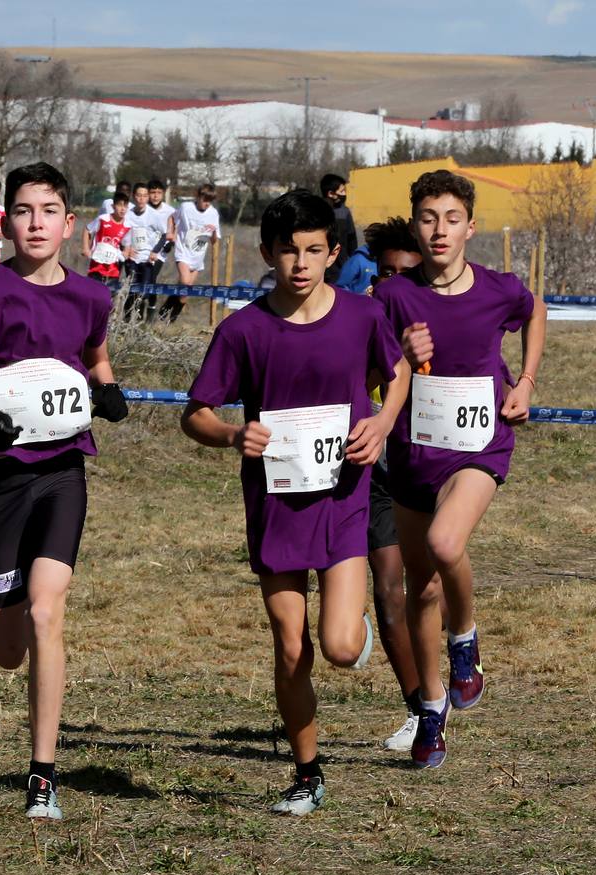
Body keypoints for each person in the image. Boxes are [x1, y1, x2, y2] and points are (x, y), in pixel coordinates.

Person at [181, 189, 410, 815]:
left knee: (337, 647)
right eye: (289, 252)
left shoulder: (363, 317)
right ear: (267, 253)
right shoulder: (243, 330)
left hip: (342, 498)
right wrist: (232, 433)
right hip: (276, 506)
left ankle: (353, 625)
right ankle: (307, 774)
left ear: (333, 252)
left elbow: (399, 374)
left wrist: (383, 422)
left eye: (314, 251)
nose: (301, 264)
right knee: (290, 647)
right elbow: (194, 415)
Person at [0, 162, 129, 821]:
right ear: (5, 221)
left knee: (48, 615)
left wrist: (106, 391)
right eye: (23, 210)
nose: (35, 222)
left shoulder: (90, 297)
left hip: (64, 470)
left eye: (48, 210)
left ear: (70, 225)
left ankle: (42, 776)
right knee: (8, 650)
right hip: (3, 475)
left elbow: (95, 357)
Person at [375, 169, 546, 769]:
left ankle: (464, 639)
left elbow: (536, 311)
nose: (439, 230)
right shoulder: (393, 295)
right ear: (416, 226)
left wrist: (525, 381)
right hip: (414, 454)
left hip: (478, 447)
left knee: (447, 544)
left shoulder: (499, 289)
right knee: (418, 588)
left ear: (471, 227)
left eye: (451, 219)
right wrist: (401, 353)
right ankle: (430, 707)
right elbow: (372, 370)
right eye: (428, 218)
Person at [359, 217, 432, 751]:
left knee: (428, 585)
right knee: (388, 592)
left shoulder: (435, 327)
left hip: (428, 470)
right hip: (374, 473)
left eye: (405, 274)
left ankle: (451, 660)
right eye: (384, 272)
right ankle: (421, 709)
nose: (391, 285)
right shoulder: (356, 319)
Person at [160, 183, 222, 322]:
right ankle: (167, 318)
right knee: (185, 282)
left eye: (210, 201)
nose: (206, 203)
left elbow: (214, 240)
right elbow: (172, 217)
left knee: (185, 294)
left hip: (198, 257)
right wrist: (171, 232)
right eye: (204, 199)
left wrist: (212, 233)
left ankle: (167, 317)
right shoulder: (186, 207)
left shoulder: (213, 213)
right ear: (198, 196)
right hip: (183, 252)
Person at [122, 183, 167, 322]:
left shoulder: (154, 215)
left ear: (147, 198)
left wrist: (155, 251)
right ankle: (127, 320)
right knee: (131, 289)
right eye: (138, 195)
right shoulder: (128, 214)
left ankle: (139, 321)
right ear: (133, 197)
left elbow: (165, 235)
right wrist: (125, 248)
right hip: (132, 258)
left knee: (144, 292)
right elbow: (121, 233)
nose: (141, 199)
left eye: (144, 196)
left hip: (147, 258)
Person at [81, 187, 132, 298]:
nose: (122, 209)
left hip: (113, 269)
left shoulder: (127, 226)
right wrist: (86, 249)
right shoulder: (103, 219)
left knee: (107, 300)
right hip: (96, 266)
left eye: (125, 206)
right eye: (120, 205)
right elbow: (87, 229)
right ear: (113, 206)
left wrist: (126, 253)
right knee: (92, 297)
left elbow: (127, 244)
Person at [321, 173, 358, 284]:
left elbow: (352, 239)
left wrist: (353, 260)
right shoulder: (318, 212)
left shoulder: (345, 212)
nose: (344, 194)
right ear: (331, 194)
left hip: (342, 266)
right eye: (342, 191)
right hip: (324, 266)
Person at [146, 177, 178, 286]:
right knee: (142, 281)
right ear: (148, 193)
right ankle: (147, 302)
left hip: (160, 252)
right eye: (153, 192)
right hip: (143, 249)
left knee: (151, 277)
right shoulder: (143, 209)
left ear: (163, 194)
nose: (155, 196)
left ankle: (150, 303)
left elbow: (176, 229)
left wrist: (171, 242)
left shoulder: (170, 211)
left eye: (159, 193)